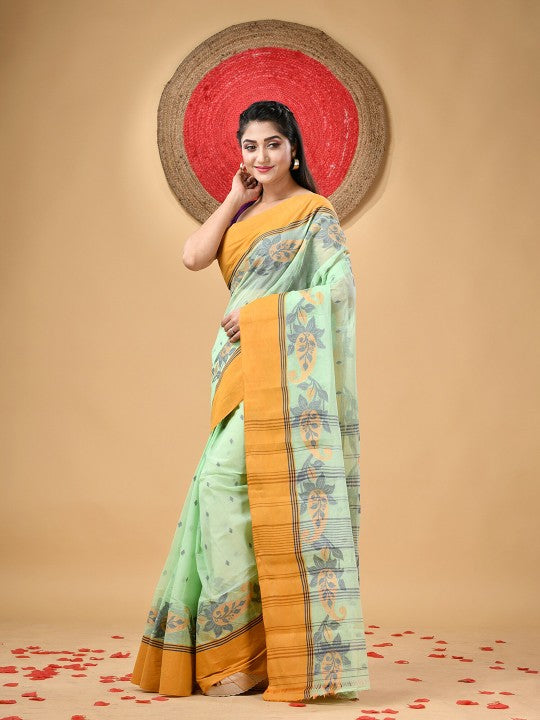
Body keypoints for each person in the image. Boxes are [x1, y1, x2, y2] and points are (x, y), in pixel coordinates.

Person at [130, 100, 370, 702]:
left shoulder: (314, 215)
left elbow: (340, 292)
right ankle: (241, 654)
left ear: (294, 149)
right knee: (227, 489)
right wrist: (234, 198)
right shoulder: (241, 213)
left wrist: (264, 314)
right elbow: (193, 256)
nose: (261, 156)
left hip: (281, 364)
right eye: (250, 146)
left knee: (237, 487)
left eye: (272, 144)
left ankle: (251, 652)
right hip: (234, 368)